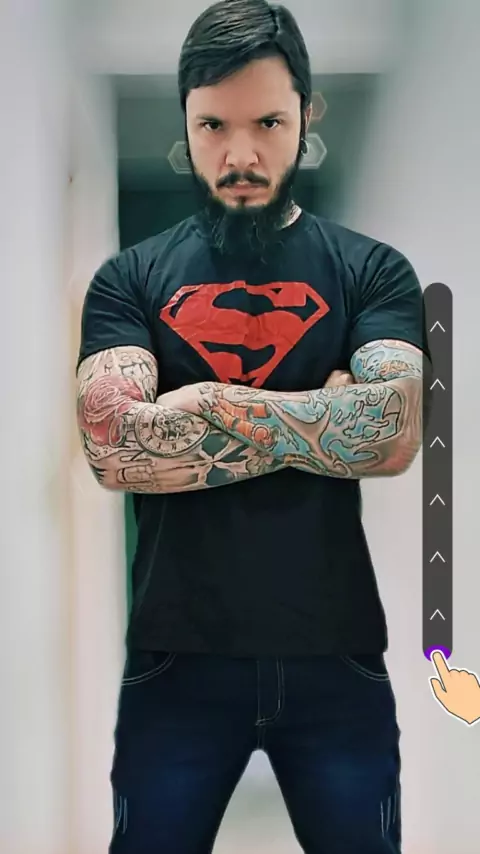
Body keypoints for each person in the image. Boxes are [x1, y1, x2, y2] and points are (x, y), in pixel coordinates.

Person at [76, 1, 429, 851]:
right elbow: (113, 447)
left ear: (308, 113)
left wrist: (198, 408)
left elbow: (393, 433)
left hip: (335, 649)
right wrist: (323, 416)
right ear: (185, 122)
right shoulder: (129, 279)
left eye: (268, 122)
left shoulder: (373, 271)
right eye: (213, 126)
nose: (240, 155)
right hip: (176, 656)